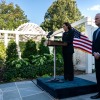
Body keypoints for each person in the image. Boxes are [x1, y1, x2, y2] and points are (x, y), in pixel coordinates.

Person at [91, 13, 100, 99]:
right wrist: (94, 53)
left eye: (97, 18)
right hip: (97, 59)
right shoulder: (95, 32)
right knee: (98, 76)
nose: (95, 20)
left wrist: (99, 54)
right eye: (95, 18)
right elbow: (93, 45)